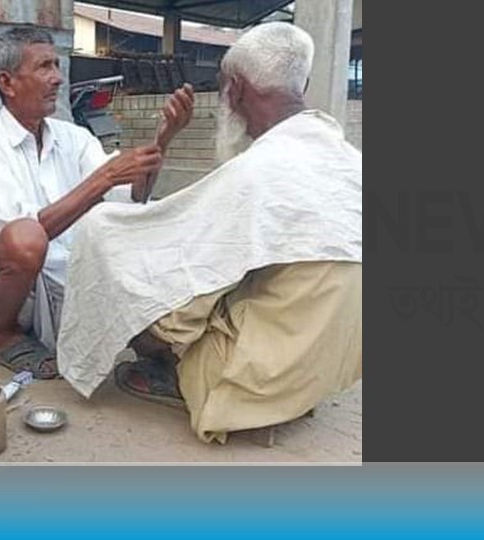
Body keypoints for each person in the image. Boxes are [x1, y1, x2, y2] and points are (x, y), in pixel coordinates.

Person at [57, 22, 363, 443]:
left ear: (235, 89)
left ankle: (198, 386)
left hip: (255, 375)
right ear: (303, 85)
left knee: (127, 265)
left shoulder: (258, 171)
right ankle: (287, 392)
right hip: (327, 366)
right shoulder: (351, 163)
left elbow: (181, 309)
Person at [0, 27, 194, 378]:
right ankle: (4, 336)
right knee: (25, 239)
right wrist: (104, 178)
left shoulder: (74, 138)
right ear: (7, 83)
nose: (57, 78)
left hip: (65, 274)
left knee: (138, 234)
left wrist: (163, 140)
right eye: (44, 67)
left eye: (56, 65)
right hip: (5, 292)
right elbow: (25, 235)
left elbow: (130, 200)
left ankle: (148, 346)